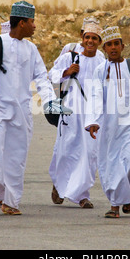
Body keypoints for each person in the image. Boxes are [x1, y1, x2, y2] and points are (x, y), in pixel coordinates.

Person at [0, 1, 56, 216]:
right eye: (32, 22)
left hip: (22, 112)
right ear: (22, 23)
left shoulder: (31, 49)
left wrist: (50, 101)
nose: (35, 26)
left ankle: (11, 202)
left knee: (16, 157)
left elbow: (42, 77)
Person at [85, 26, 130, 218]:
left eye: (116, 44)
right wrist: (94, 121)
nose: (113, 48)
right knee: (112, 164)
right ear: (104, 48)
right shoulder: (99, 70)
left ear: (122, 46)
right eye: (109, 45)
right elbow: (95, 95)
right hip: (110, 125)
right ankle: (115, 205)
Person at [48, 23, 105, 208]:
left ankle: (82, 195)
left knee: (89, 153)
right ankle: (59, 184)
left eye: (94, 38)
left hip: (92, 113)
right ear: (82, 38)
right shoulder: (70, 57)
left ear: (99, 42)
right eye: (87, 37)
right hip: (71, 111)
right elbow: (51, 74)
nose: (90, 41)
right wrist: (67, 72)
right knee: (66, 150)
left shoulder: (102, 60)